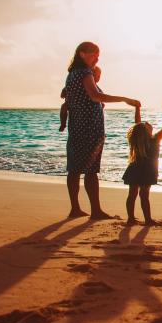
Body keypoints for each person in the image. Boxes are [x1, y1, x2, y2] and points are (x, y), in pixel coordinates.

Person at [63, 41, 140, 219]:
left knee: (74, 169)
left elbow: (70, 96)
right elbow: (95, 96)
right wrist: (124, 99)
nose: (97, 59)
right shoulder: (85, 72)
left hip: (76, 127)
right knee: (90, 170)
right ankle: (96, 211)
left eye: (98, 56)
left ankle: (75, 208)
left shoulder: (72, 74)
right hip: (89, 128)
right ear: (82, 54)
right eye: (94, 55)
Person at [123, 105, 162, 226]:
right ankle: (148, 220)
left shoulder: (136, 140)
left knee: (132, 194)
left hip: (134, 169)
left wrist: (137, 109)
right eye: (146, 124)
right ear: (146, 131)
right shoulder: (154, 140)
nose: (147, 123)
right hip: (148, 172)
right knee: (144, 196)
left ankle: (130, 219)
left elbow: (137, 124)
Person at [60, 65, 102, 132]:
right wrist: (64, 91)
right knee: (64, 107)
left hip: (87, 108)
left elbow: (100, 96)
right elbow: (68, 87)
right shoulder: (79, 82)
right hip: (73, 103)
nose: (98, 78)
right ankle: (63, 124)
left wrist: (101, 104)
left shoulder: (96, 87)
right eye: (95, 75)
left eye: (99, 76)